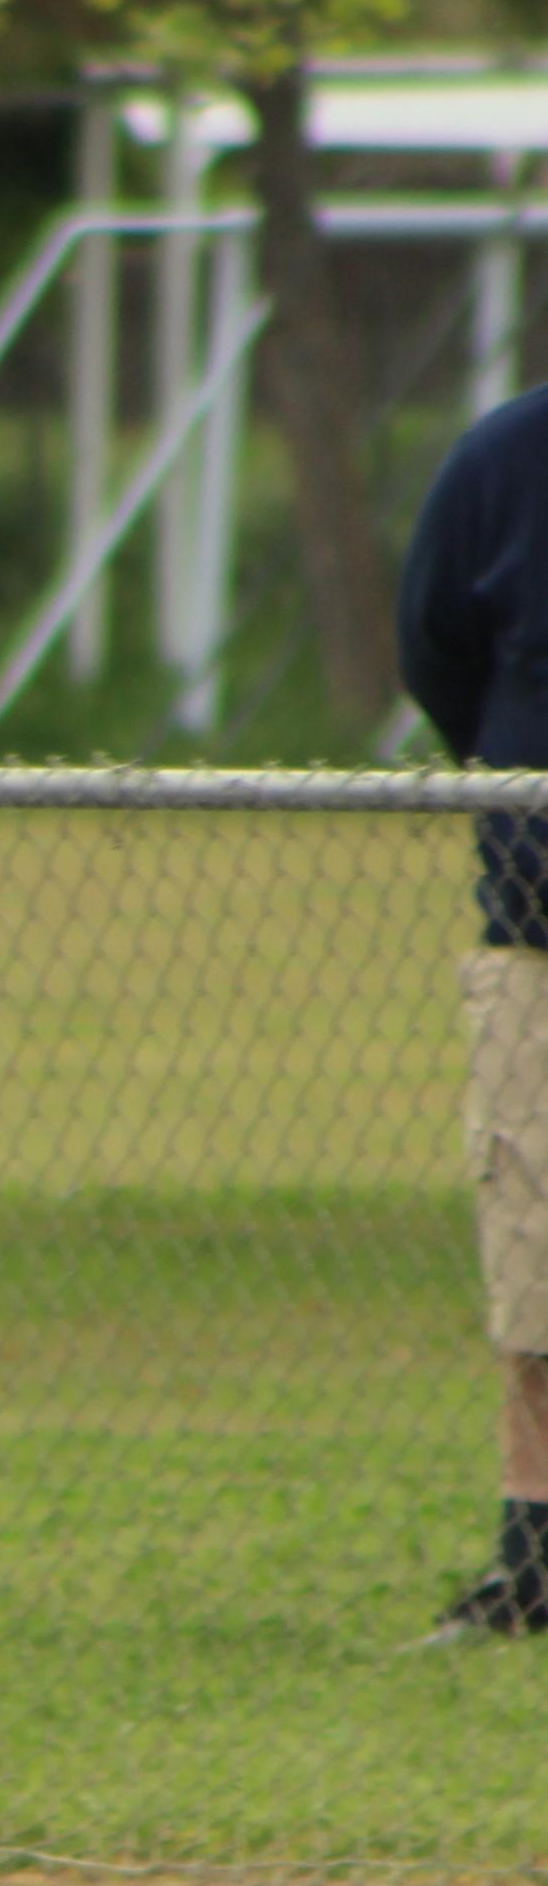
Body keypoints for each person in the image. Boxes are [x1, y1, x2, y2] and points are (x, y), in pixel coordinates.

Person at [399, 379, 548, 1643]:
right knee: (530, 1258)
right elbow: (435, 646)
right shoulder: (503, 456)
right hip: (534, 935)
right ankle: (532, 1549)